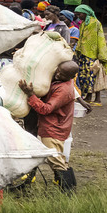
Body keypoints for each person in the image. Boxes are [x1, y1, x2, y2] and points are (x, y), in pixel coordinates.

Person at [22, 59, 79, 191]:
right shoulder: (61, 82)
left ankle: (68, 192)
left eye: (62, 74)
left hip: (53, 129)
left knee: (56, 161)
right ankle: (69, 188)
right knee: (59, 159)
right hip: (54, 127)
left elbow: (45, 109)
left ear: (71, 77)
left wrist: (31, 95)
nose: (58, 75)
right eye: (58, 71)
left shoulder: (63, 90)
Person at [74, 3, 107, 106]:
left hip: (92, 54)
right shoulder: (83, 23)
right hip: (84, 54)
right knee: (85, 77)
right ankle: (88, 97)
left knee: (94, 76)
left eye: (80, 14)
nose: (78, 16)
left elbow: (94, 40)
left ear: (85, 13)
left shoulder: (94, 23)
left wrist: (100, 55)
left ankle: (97, 99)